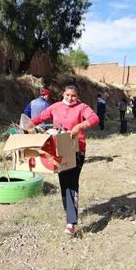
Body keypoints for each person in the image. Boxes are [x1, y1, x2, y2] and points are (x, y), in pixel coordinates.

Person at [28, 78, 99, 237]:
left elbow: (95, 119)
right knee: (63, 182)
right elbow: (39, 118)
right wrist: (27, 126)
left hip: (76, 150)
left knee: (72, 183)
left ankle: (71, 223)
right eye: (67, 95)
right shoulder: (55, 107)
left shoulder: (82, 107)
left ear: (78, 96)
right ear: (63, 94)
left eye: (73, 96)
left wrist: (80, 126)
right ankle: (69, 213)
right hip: (58, 150)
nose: (70, 98)